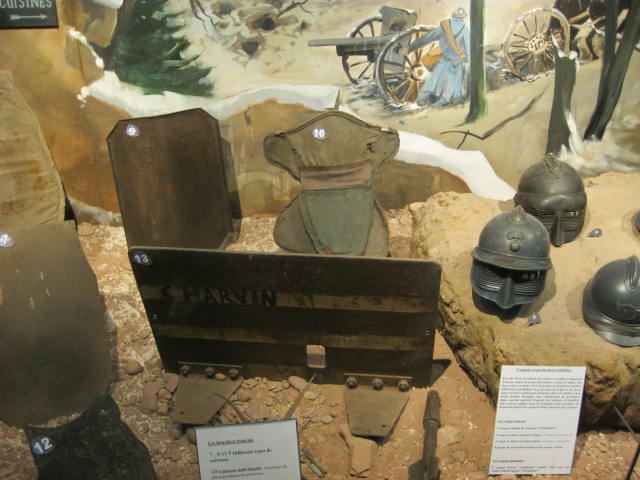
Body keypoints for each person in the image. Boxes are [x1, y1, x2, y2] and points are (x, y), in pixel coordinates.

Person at [406, 7, 470, 107]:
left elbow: (428, 38)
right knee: (451, 86)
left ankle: (422, 98)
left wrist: (410, 48)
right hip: (456, 63)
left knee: (433, 81)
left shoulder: (445, 26)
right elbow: (469, 50)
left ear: (453, 16)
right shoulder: (465, 30)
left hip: (444, 59)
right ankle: (440, 103)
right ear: (462, 18)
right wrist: (465, 59)